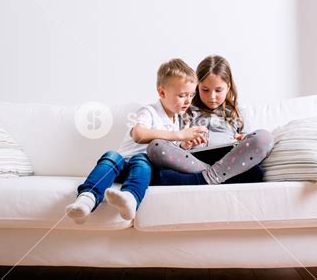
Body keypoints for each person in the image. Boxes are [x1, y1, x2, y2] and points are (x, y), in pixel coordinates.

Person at [65, 59, 207, 221]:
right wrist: (179, 135)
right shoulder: (149, 111)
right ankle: (86, 199)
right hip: (121, 165)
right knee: (112, 155)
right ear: (162, 93)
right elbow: (138, 134)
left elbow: (167, 154)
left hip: (142, 171)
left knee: (142, 159)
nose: (188, 101)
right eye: (182, 95)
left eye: (191, 95)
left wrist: (183, 145)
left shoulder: (177, 120)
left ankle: (130, 199)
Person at [147, 55, 274, 185]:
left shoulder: (238, 112)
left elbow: (250, 141)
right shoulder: (185, 110)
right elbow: (173, 143)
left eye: (218, 90)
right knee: (155, 146)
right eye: (205, 90)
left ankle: (203, 178)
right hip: (193, 162)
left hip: (229, 160)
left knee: (265, 137)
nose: (212, 97)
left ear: (228, 87)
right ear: (196, 87)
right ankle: (213, 176)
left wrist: (242, 139)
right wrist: (183, 144)